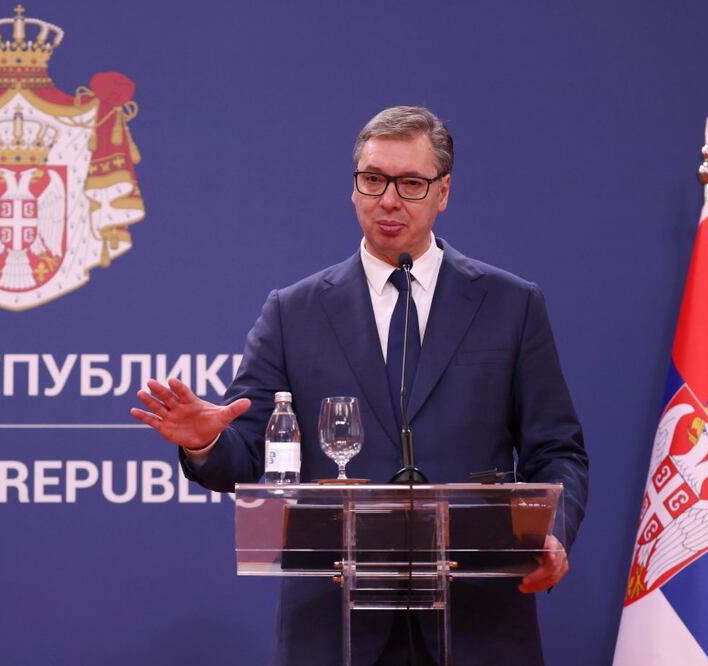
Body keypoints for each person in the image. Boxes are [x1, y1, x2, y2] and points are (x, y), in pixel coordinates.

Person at [131, 106, 588, 665]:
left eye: (411, 184)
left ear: (443, 193)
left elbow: (556, 450)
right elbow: (250, 457)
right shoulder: (293, 312)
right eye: (373, 180)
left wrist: (553, 534)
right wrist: (204, 441)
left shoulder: (510, 305)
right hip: (334, 628)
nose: (388, 199)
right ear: (354, 189)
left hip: (479, 623)